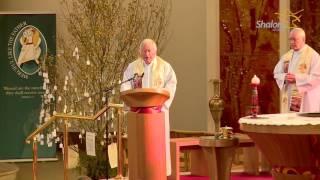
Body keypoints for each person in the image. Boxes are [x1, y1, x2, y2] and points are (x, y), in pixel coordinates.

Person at [120, 38, 177, 176]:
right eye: (144, 51)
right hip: (139, 114)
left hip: (157, 114)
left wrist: (163, 104)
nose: (147, 54)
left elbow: (172, 83)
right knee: (139, 146)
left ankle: (158, 173)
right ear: (140, 51)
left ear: (155, 51)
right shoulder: (133, 67)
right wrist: (130, 99)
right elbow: (125, 85)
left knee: (157, 148)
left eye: (149, 51)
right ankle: (139, 172)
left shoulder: (164, 67)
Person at [274, 27, 320, 112]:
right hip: (289, 97)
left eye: (295, 40)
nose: (292, 42)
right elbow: (276, 73)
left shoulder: (313, 56)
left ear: (303, 39)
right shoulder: (286, 56)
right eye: (290, 39)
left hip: (307, 99)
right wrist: (285, 77)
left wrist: (297, 78)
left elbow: (317, 78)